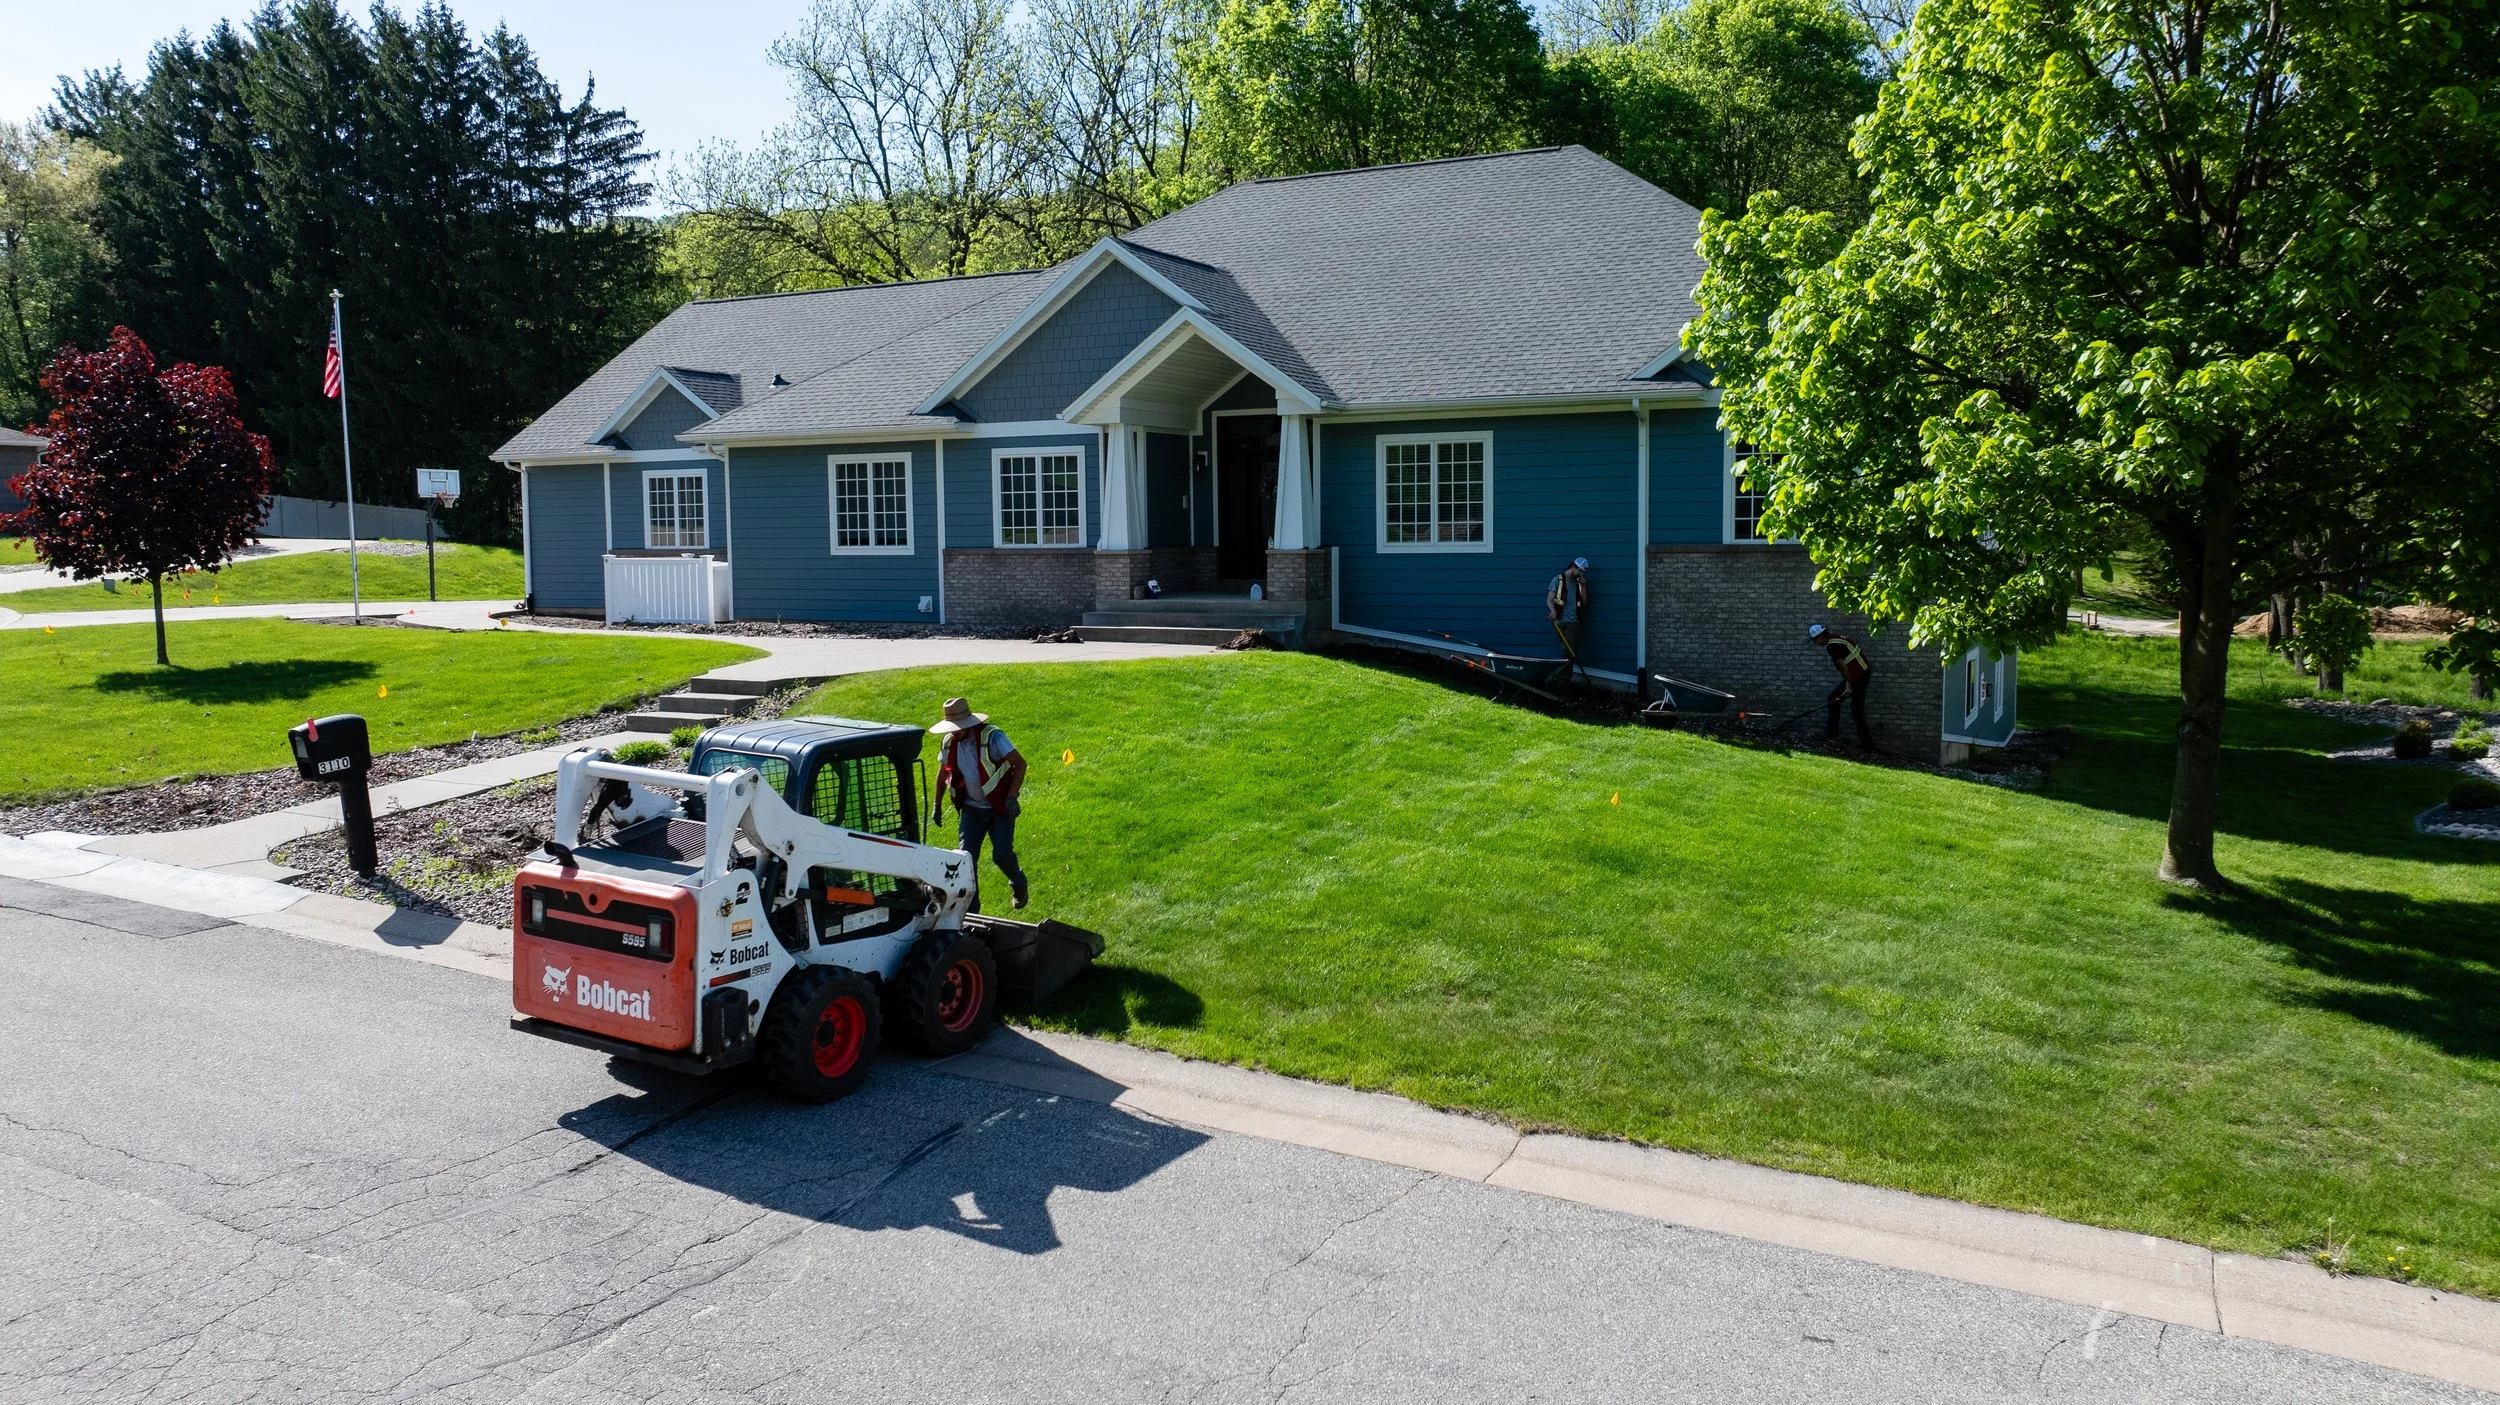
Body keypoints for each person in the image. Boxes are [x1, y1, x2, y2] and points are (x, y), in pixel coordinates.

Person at [930, 696, 1029, 909]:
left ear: (969, 722)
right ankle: (972, 910)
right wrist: (937, 805)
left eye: (958, 727)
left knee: (1001, 854)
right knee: (966, 862)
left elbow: (1020, 764)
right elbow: (942, 775)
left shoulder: (993, 737)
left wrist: (1012, 796)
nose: (954, 732)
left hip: (999, 807)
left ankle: (1019, 882)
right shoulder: (949, 742)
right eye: (952, 728)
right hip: (972, 810)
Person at [1808, 622, 1876, 751]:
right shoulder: (1836, 638)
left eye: (1814, 641)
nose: (1815, 644)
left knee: (1856, 712)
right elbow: (1848, 664)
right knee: (1833, 699)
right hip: (1859, 673)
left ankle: (1868, 746)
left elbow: (1844, 668)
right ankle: (1832, 735)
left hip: (1860, 677)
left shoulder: (1832, 647)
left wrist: (1849, 687)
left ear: (1819, 638)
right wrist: (1848, 685)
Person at [1547, 557, 1592, 658]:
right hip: (1564, 621)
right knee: (1568, 652)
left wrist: (1583, 586)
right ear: (1573, 567)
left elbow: (1584, 602)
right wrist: (1553, 611)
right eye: (1579, 571)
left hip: (1575, 621)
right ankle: (1562, 674)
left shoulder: (1578, 582)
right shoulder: (1558, 579)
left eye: (1582, 572)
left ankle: (1565, 673)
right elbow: (1549, 599)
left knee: (1570, 651)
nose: (1581, 574)